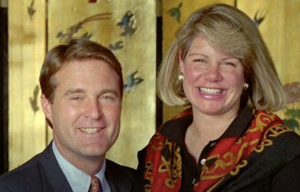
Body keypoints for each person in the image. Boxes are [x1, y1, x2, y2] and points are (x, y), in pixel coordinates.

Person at [137, 3, 300, 192]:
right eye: (200, 60)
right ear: (181, 62)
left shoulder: (284, 152)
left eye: (228, 63)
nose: (213, 75)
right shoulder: (157, 148)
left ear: (246, 72)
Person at [0, 39, 141, 192]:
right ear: (47, 106)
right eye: (76, 98)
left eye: (106, 97)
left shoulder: (141, 185)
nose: (94, 113)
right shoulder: (10, 188)